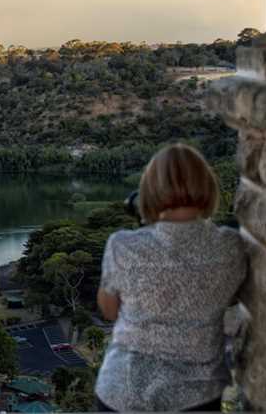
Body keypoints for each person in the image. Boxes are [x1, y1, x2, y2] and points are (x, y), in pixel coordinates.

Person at [94, 143, 246, 412]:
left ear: (148, 193)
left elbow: (109, 310)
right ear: (207, 188)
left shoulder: (123, 245)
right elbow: (232, 296)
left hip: (124, 391)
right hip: (196, 394)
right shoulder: (231, 245)